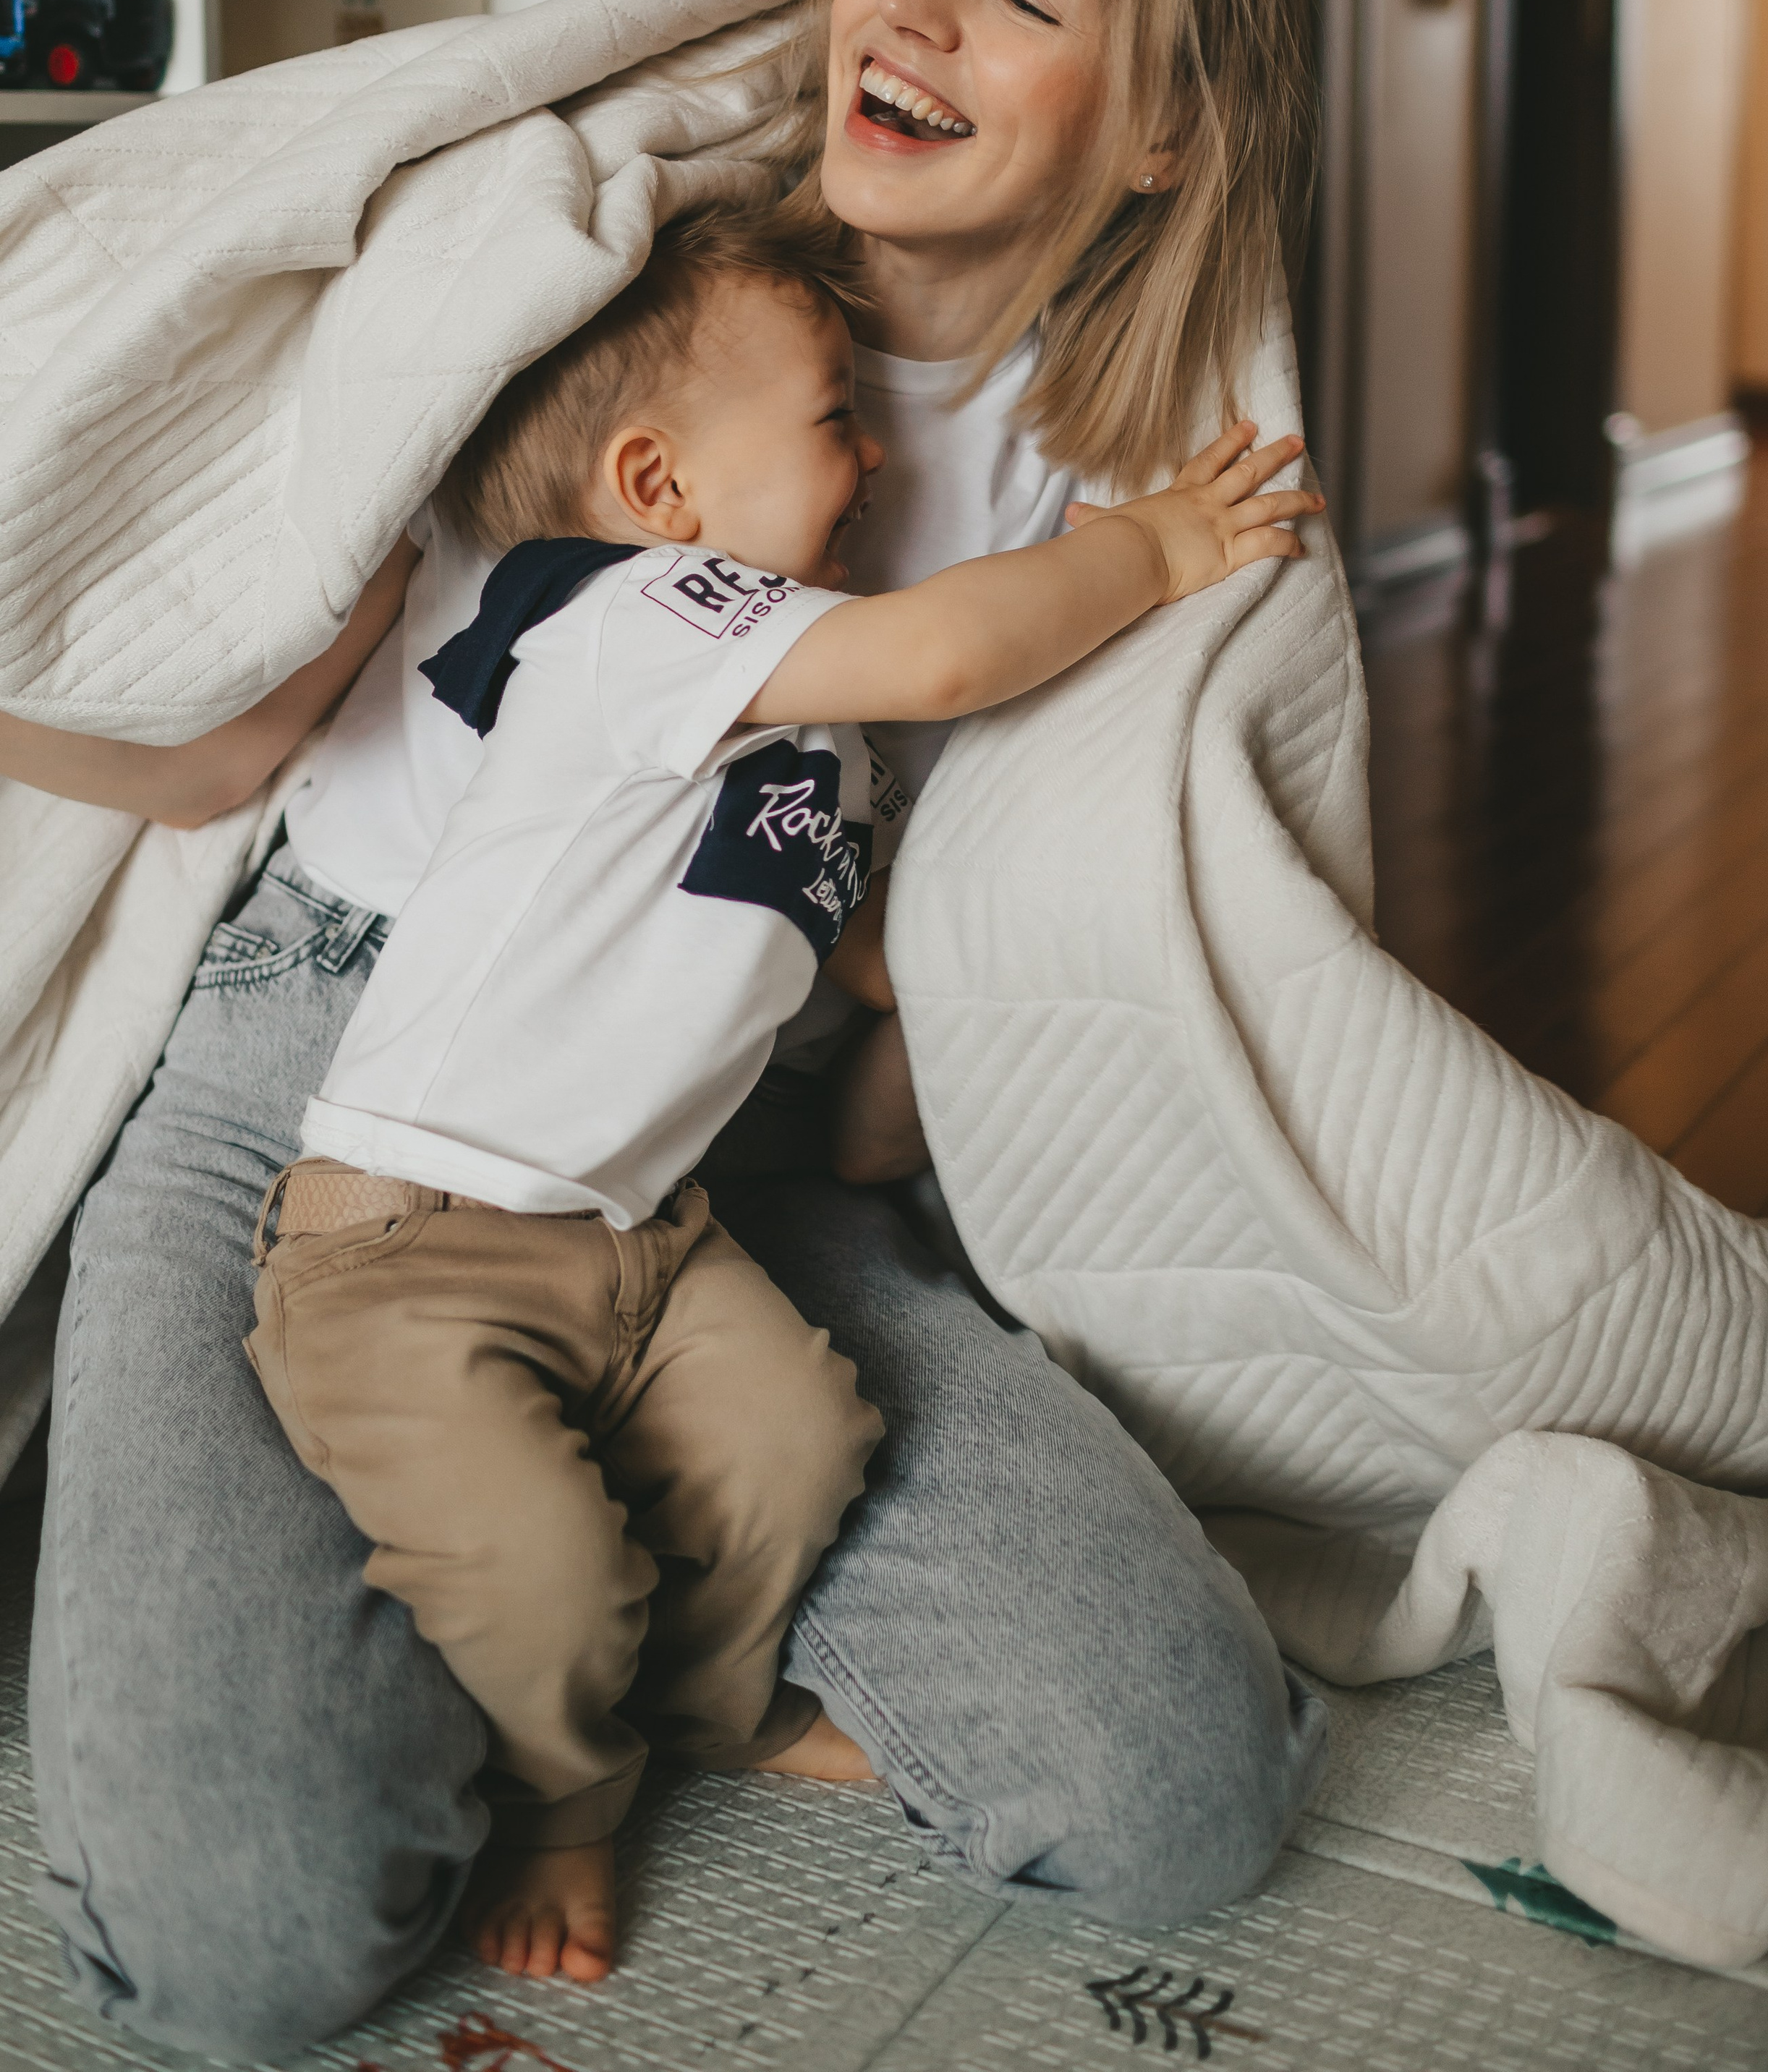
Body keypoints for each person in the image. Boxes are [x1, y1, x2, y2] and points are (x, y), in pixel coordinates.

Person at [13, 0, 1335, 2058]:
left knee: (1174, 1785)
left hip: (705, 1147)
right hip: (321, 1099)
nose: (909, 6)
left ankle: (558, 1573)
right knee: (241, 1940)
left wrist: (912, 1048)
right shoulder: (614, 297)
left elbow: (1066, 935)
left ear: (1168, 132)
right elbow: (230, 714)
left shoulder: (1146, 464)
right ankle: (483, 1586)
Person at [247, 200, 1321, 1984]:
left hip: (638, 1240)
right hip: (407, 1244)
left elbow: (867, 959)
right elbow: (949, 652)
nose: (875, 451)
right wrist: (1149, 551)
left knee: (798, 1438)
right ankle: (562, 1797)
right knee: (540, 1567)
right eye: (830, 416)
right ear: (661, 486)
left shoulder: (799, 732)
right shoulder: (630, 618)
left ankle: (709, 1704)